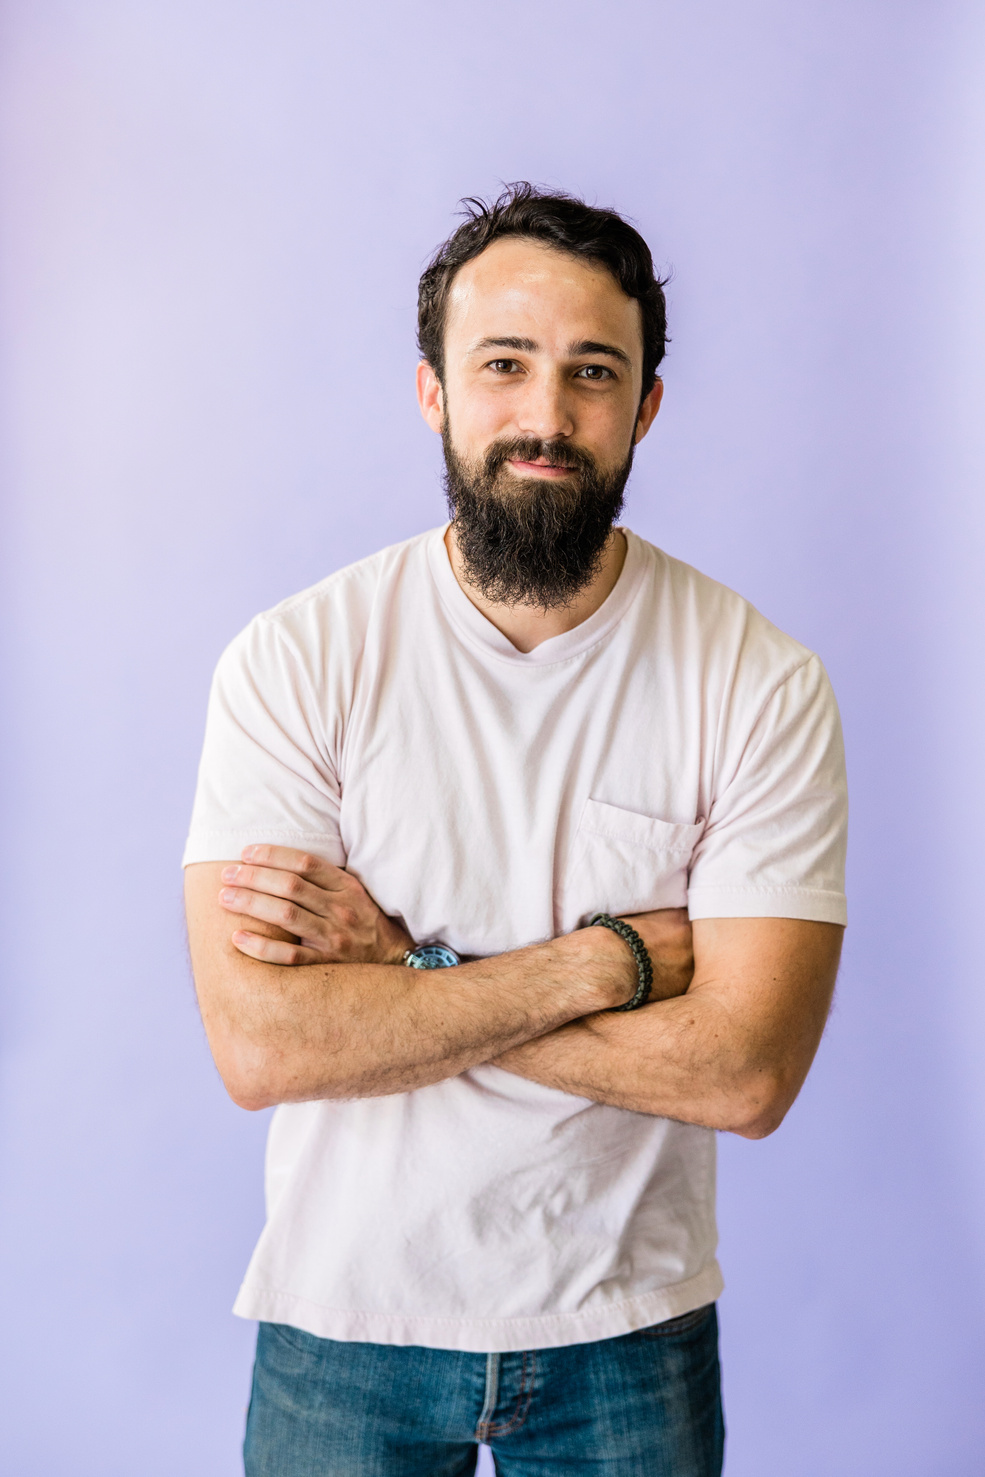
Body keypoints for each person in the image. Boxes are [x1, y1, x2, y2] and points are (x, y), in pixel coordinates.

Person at [183, 183, 847, 1477]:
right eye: (504, 366)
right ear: (432, 390)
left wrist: (400, 977)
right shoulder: (296, 660)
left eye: (591, 374)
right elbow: (261, 1043)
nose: (546, 416)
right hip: (347, 1319)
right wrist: (601, 963)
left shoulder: (754, 680)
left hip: (625, 1330)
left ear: (644, 407)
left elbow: (744, 1073)